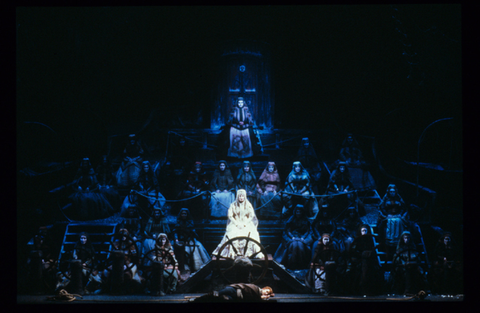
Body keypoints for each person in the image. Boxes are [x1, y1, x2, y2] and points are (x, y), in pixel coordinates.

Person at [212, 189, 263, 259]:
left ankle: (251, 253)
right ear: (237, 197)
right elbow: (230, 215)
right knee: (231, 234)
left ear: (245, 197)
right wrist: (236, 223)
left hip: (246, 222)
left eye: (242, 196)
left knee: (252, 234)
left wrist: (245, 223)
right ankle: (232, 253)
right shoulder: (233, 205)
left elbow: (251, 215)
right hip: (235, 222)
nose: (241, 198)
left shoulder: (248, 205)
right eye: (240, 196)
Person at [274, 204, 314, 270]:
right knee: (294, 245)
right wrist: (292, 237)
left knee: (300, 246)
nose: (298, 213)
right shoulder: (291, 219)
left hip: (302, 238)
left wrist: (303, 238)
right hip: (292, 237)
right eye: (297, 212)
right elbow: (287, 230)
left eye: (300, 212)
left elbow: (308, 231)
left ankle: (301, 265)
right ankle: (291, 264)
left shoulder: (306, 220)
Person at [345, 224, 383, 295]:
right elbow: (353, 252)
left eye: (365, 230)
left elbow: (374, 251)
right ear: (360, 231)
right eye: (363, 231)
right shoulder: (356, 240)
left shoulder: (371, 240)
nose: (364, 232)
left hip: (370, 261)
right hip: (359, 261)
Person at [171, 208, 211, 274]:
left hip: (189, 239)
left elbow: (192, 232)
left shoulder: (190, 222)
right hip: (180, 240)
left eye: (185, 214)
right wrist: (176, 239)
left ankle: (195, 266)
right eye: (182, 214)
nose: (184, 215)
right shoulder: (178, 222)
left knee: (195, 248)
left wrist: (188, 239)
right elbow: (175, 231)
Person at [392, 231, 427, 295]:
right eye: (405, 238)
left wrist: (414, 262)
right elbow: (396, 259)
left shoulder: (413, 248)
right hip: (402, 267)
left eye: (408, 238)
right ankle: (407, 290)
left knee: (419, 272)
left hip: (413, 266)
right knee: (407, 272)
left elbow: (417, 258)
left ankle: (418, 289)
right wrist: (403, 263)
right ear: (402, 239)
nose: (407, 240)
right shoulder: (400, 248)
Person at [191, 283, 274, 302]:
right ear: (264, 288)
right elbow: (245, 286)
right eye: (266, 291)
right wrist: (260, 298)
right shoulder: (255, 288)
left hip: (236, 298)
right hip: (233, 290)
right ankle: (197, 300)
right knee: (215, 294)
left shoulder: (259, 298)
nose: (266, 293)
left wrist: (263, 298)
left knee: (222, 299)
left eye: (267, 294)